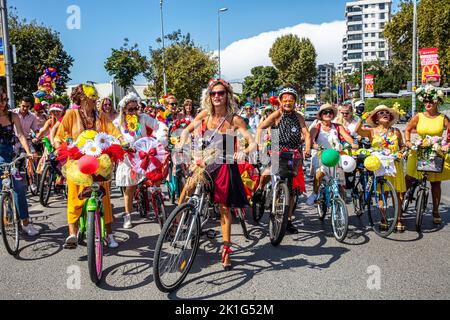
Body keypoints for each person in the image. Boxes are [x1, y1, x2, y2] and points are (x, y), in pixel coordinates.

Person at [178, 78, 256, 270]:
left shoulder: (234, 119)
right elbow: (186, 131)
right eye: (213, 93)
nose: (217, 96)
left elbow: (252, 141)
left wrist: (243, 152)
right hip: (204, 162)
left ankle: (226, 250)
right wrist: (181, 142)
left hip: (224, 165)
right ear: (209, 96)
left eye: (221, 93)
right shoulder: (205, 115)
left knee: (224, 208)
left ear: (227, 95)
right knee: (187, 189)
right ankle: (176, 224)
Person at [54, 84, 124, 249]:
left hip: (99, 160)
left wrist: (123, 140)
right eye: (92, 97)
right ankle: (72, 233)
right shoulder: (71, 114)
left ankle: (109, 233)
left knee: (104, 196)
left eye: (95, 97)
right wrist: (58, 147)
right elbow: (59, 136)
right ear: (83, 98)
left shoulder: (101, 116)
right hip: (77, 160)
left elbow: (114, 132)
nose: (95, 100)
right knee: (74, 194)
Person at [254, 88, 311, 234]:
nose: (287, 103)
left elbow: (307, 134)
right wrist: (259, 142)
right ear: (280, 101)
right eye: (284, 100)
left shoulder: (299, 117)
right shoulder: (277, 114)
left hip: (293, 152)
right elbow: (260, 127)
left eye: (290, 100)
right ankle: (260, 189)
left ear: (294, 102)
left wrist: (308, 149)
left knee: (292, 190)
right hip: (275, 147)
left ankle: (289, 220)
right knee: (267, 173)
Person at [113, 93, 167, 229]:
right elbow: (112, 136)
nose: (133, 112)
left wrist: (160, 137)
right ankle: (127, 215)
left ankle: (157, 202)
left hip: (145, 154)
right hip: (128, 158)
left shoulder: (143, 118)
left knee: (155, 179)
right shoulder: (118, 123)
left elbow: (158, 125)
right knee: (130, 188)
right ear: (124, 110)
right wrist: (121, 144)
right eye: (130, 109)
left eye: (135, 108)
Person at [355, 105, 406, 231]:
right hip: (380, 166)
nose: (385, 114)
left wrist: (401, 152)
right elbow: (358, 130)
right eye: (381, 113)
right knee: (382, 192)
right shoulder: (371, 131)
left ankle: (398, 219)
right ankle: (384, 219)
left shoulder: (396, 131)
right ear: (376, 118)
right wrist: (362, 118)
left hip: (395, 165)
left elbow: (402, 146)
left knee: (399, 194)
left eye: (387, 113)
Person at [405, 85, 449, 225]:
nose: (428, 104)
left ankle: (435, 211)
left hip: (435, 152)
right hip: (419, 151)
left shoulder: (443, 118)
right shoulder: (418, 116)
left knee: (435, 183)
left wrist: (447, 144)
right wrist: (407, 142)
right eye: (425, 101)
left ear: (437, 102)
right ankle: (400, 204)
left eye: (431, 101)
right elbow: (407, 129)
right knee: (409, 178)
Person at [0, 89, 39, 236]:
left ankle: (25, 222)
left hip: (10, 156)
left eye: (5, 99)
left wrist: (28, 151)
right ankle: (6, 217)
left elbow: (21, 135)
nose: (3, 103)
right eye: (0, 100)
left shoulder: (13, 116)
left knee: (19, 188)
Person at [307, 104, 358, 206]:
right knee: (319, 173)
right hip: (321, 155)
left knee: (339, 181)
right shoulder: (316, 127)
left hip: (335, 155)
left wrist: (352, 144)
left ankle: (342, 202)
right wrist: (314, 146)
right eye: (325, 112)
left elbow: (347, 137)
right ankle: (314, 193)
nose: (328, 114)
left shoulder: (337, 126)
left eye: (330, 112)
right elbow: (310, 140)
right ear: (321, 115)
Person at [335, 104, 362, 202]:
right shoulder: (336, 121)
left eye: (347, 113)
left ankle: (350, 188)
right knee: (339, 168)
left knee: (352, 166)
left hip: (353, 145)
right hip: (340, 146)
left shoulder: (357, 121)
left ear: (351, 112)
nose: (344, 115)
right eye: (342, 113)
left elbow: (361, 132)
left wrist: (360, 136)